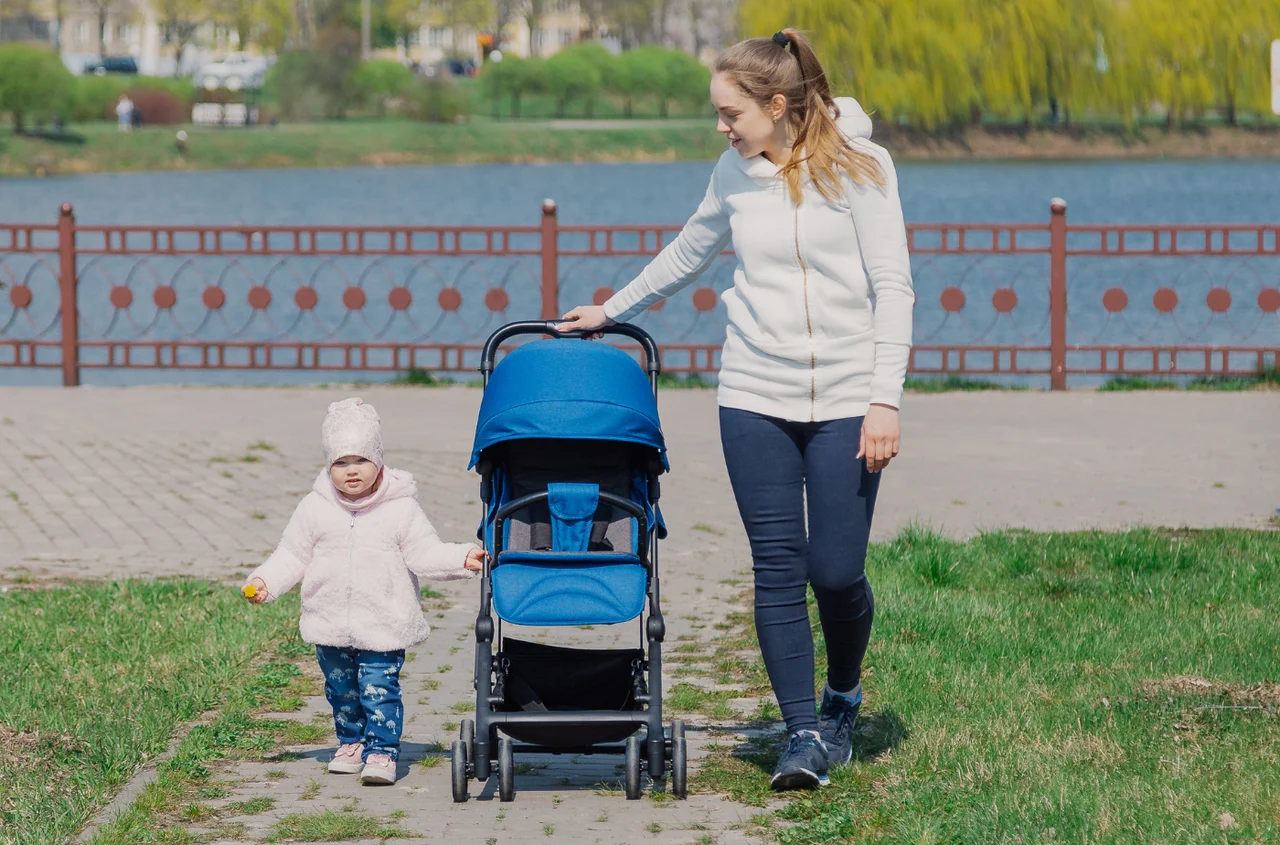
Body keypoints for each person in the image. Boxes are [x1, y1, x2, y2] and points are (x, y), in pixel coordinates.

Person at [556, 28, 914, 791]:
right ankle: (803, 735)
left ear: (776, 105)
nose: (721, 127)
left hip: (848, 396)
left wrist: (884, 398)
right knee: (778, 566)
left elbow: (894, 286)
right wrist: (612, 311)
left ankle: (842, 694)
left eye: (731, 113)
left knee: (837, 571)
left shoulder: (863, 165)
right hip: (753, 393)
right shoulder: (734, 172)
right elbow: (689, 251)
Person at [243, 398, 485, 785]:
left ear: (379, 461)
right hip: (329, 621)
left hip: (383, 620)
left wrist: (461, 558)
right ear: (328, 466)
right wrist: (265, 581)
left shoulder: (400, 509)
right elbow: (292, 553)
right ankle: (351, 743)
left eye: (361, 460)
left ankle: (382, 751)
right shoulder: (315, 508)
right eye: (341, 462)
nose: (351, 470)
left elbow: (424, 552)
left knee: (378, 688)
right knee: (341, 690)